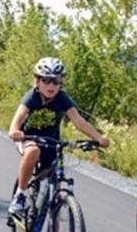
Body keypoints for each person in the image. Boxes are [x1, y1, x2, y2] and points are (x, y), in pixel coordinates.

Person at [7, 57, 110, 214]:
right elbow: (19, 116)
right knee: (33, 151)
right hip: (28, 138)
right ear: (37, 81)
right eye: (46, 80)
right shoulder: (32, 97)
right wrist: (15, 130)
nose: (51, 85)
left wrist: (98, 137)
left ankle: (54, 225)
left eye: (56, 81)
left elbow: (78, 120)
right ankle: (20, 195)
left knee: (55, 172)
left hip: (51, 141)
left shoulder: (62, 98)